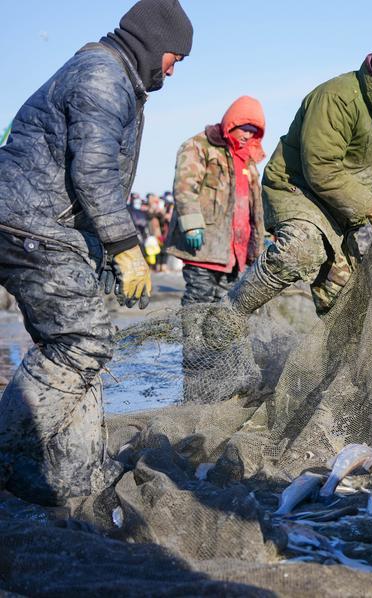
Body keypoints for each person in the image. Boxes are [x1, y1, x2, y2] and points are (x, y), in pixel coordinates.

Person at [0, 0, 193, 506]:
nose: (173, 70)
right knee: (82, 340)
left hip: (47, 226)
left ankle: (78, 472)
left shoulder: (115, 76)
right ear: (153, 43)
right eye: (174, 58)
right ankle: (6, 452)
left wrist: (101, 253)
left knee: (84, 345)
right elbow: (93, 171)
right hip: (26, 223)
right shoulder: (102, 77)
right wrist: (126, 247)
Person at [218, 27, 372, 321]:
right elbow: (321, 168)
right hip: (299, 191)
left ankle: (342, 352)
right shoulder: (337, 97)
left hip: (340, 209)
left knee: (347, 300)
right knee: (301, 250)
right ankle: (228, 315)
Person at [167, 96, 267, 305]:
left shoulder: (248, 159)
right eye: (244, 129)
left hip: (236, 250)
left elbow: (255, 205)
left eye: (253, 131)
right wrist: (192, 224)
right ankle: (191, 330)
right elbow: (185, 186)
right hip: (205, 245)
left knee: (227, 305)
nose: (247, 135)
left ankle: (217, 331)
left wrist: (260, 238)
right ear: (231, 124)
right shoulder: (200, 146)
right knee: (199, 300)